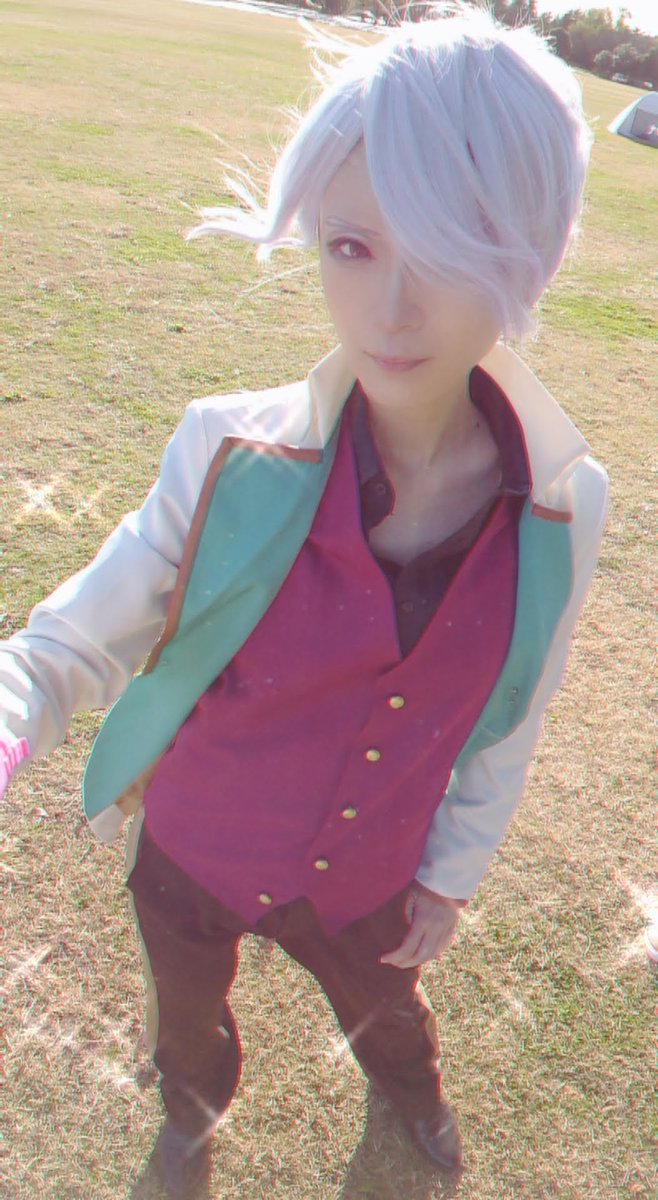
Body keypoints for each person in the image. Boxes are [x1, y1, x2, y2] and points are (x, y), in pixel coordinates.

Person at [0, 7, 608, 1198]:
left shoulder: (560, 506)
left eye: (449, 248)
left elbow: (511, 715)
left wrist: (450, 874)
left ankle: (414, 1100)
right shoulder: (224, 451)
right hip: (193, 843)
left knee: (388, 1015)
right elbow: (67, 641)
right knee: (187, 1020)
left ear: (537, 251)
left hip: (373, 871)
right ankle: (188, 1126)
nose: (391, 309)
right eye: (350, 245)